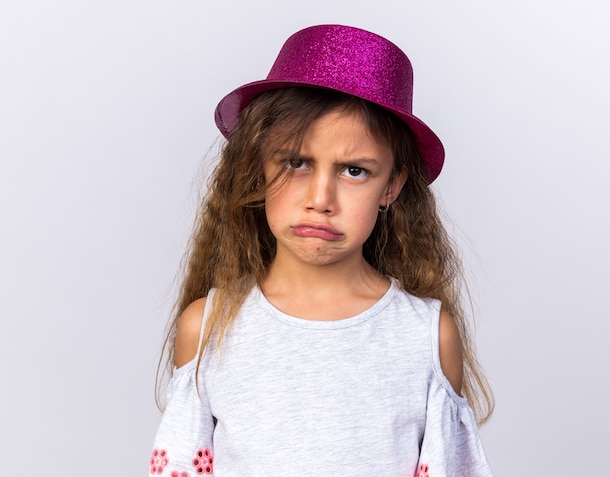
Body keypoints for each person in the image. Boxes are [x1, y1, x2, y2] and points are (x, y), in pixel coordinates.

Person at [149, 24, 494, 477]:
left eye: (354, 170)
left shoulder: (426, 337)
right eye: (296, 163)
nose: (321, 198)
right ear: (256, 169)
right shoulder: (207, 327)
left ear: (392, 185)